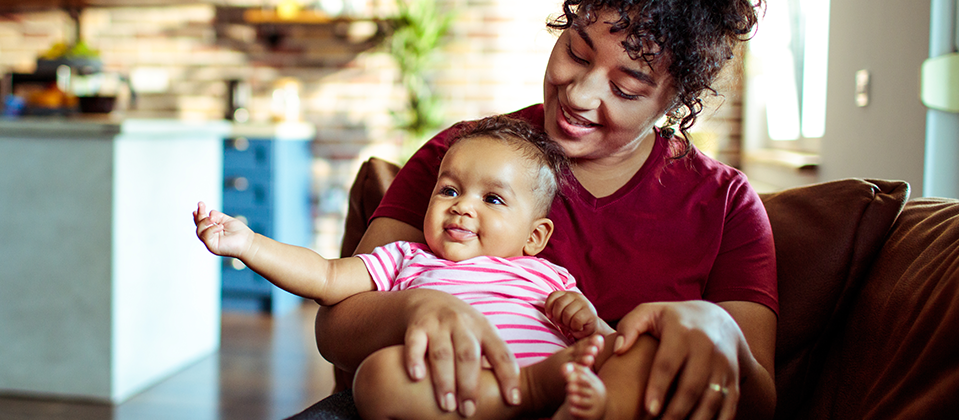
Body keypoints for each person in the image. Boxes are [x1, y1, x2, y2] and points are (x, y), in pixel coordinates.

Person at [310, 0, 778, 419]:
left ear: (674, 100)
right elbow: (335, 330)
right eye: (576, 52)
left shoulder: (725, 203)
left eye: (627, 87)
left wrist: (721, 333)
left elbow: (761, 400)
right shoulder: (464, 157)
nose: (578, 96)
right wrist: (414, 307)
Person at [195, 116, 618, 419]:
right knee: (377, 378)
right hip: (453, 398)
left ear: (535, 237)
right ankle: (526, 393)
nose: (462, 206)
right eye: (449, 189)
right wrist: (249, 245)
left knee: (630, 353)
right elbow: (325, 277)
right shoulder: (407, 258)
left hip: (560, 384)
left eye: (492, 199)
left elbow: (601, 337)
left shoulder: (548, 276)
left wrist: (586, 320)